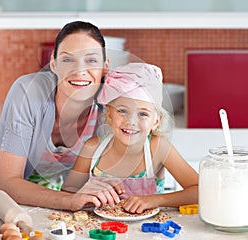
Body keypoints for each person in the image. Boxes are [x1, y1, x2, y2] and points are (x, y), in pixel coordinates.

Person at [0, 20, 115, 211]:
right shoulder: (28, 91)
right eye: (68, 59)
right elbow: (7, 183)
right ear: (54, 64)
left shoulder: (108, 107)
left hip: (42, 185)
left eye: (91, 60)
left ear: (105, 67)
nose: (79, 71)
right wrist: (69, 200)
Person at [62, 63, 198, 213]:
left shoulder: (157, 148)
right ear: (109, 113)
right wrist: (84, 193)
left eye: (143, 114)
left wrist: (156, 200)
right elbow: (65, 198)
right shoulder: (92, 149)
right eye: (122, 111)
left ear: (156, 121)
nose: (131, 121)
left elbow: (200, 190)